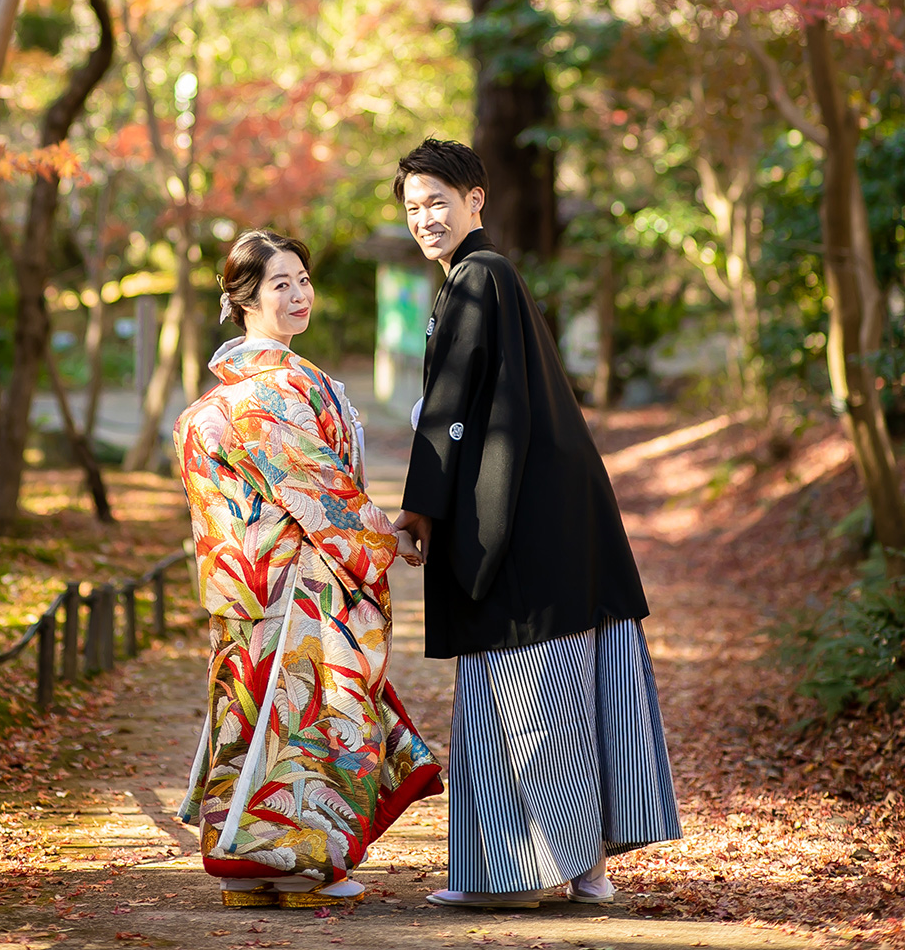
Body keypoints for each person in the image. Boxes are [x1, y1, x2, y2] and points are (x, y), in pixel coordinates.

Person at [391, 139, 681, 911]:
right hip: (566, 510)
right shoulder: (496, 278)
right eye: (413, 207)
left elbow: (452, 411)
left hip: (518, 512)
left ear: (475, 199)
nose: (425, 218)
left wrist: (422, 506)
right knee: (579, 680)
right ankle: (589, 867)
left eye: (437, 202)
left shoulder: (475, 281)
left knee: (528, 689)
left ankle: (516, 870)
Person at [175, 228, 443, 910]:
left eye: (302, 279)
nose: (298, 295)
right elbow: (323, 497)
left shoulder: (241, 392)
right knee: (304, 720)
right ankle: (297, 865)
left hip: (248, 587)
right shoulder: (271, 391)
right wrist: (395, 539)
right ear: (244, 299)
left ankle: (252, 865)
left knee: (259, 720)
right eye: (279, 285)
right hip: (298, 586)